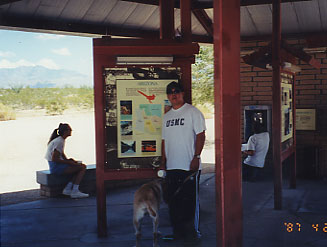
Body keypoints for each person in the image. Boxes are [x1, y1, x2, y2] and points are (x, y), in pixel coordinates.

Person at [160, 81, 206, 241]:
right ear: (168, 96)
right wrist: (162, 163)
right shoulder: (166, 116)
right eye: (171, 92)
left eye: (177, 91)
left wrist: (197, 157)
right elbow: (164, 141)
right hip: (172, 166)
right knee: (173, 203)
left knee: (189, 204)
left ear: (182, 93)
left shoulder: (193, 112)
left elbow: (201, 135)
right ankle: (177, 234)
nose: (174, 94)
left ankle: (193, 235)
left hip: (189, 166)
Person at [45, 123, 89, 199]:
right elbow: (54, 158)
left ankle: (68, 189)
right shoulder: (59, 141)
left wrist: (68, 160)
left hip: (56, 165)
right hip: (56, 167)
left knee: (77, 167)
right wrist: (69, 162)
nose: (71, 131)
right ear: (65, 131)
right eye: (69, 129)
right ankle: (75, 191)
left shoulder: (60, 140)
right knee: (82, 167)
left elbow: (61, 153)